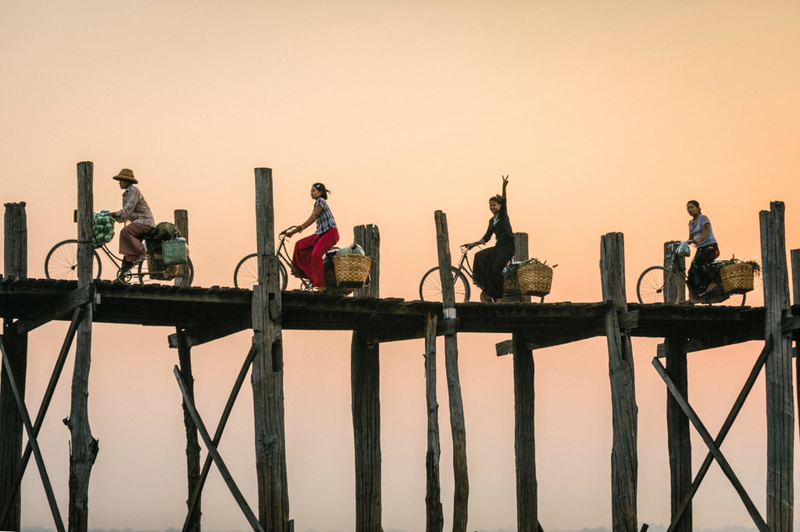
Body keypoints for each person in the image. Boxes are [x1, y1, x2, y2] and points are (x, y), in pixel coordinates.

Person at [469, 175, 515, 303]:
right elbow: (486, 238)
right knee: (479, 257)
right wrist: (471, 245)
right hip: (498, 247)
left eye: (494, 205)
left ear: (499, 206)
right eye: (490, 206)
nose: (492, 208)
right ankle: (489, 292)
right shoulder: (491, 221)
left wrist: (504, 186)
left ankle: (499, 297)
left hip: (507, 247)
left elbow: (505, 200)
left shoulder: (502, 215)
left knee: (495, 270)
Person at [285, 183, 339, 289]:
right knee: (299, 244)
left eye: (313, 191)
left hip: (330, 233)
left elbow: (314, 216)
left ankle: (320, 285)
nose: (311, 193)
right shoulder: (317, 203)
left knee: (316, 255)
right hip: (320, 233)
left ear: (321, 192)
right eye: (311, 191)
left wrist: (298, 229)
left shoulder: (321, 201)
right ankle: (308, 275)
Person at [107, 168, 156, 280]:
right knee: (128, 251)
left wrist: (116, 214)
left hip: (144, 221)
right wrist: (113, 217)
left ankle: (142, 253)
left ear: (128, 181)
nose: (119, 182)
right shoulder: (126, 194)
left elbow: (128, 209)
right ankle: (122, 276)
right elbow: (125, 216)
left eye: (122, 180)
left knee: (126, 231)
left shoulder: (134, 190)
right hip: (138, 222)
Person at [686, 199, 719, 296]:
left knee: (696, 264)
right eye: (688, 208)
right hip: (700, 249)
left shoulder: (703, 218)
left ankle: (712, 281)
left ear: (698, 208)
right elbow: (690, 238)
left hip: (710, 247)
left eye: (692, 207)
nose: (690, 209)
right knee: (691, 272)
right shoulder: (691, 223)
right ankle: (697, 294)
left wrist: (697, 241)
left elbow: (705, 234)